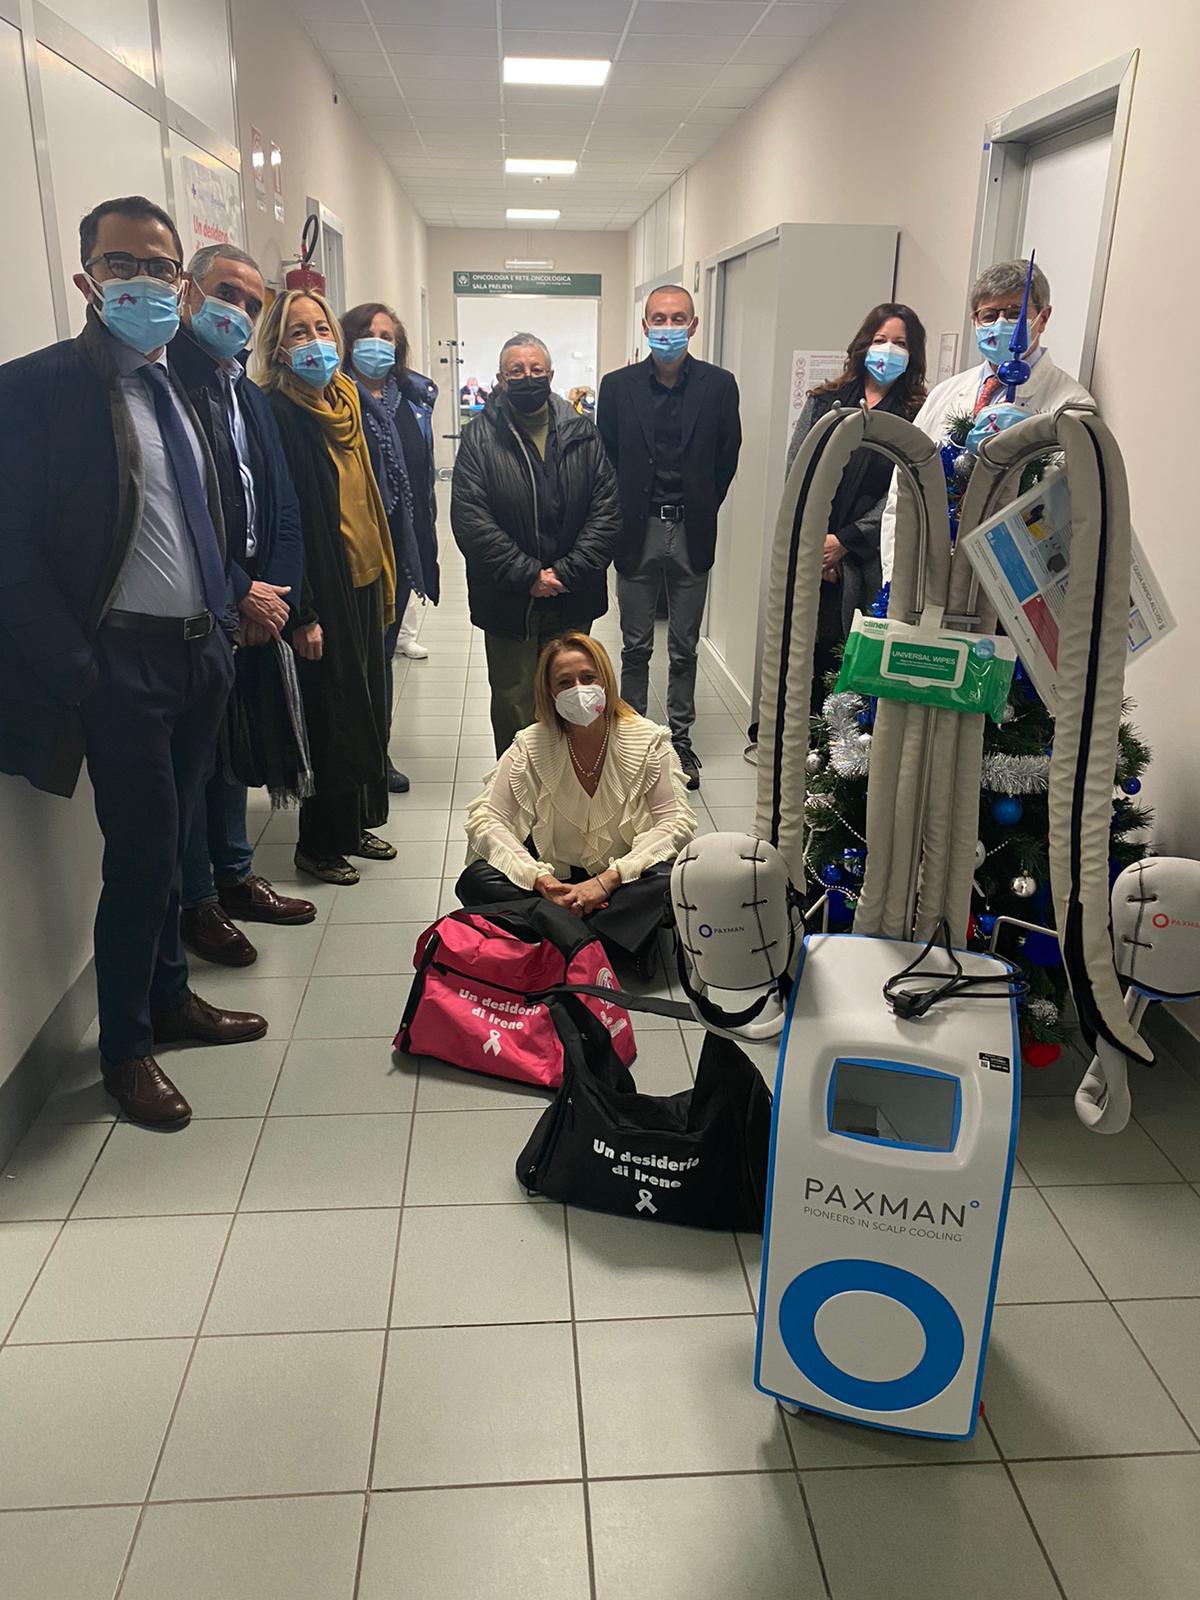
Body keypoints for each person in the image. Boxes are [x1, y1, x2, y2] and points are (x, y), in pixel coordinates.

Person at [0, 195, 267, 1129]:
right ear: (89, 279)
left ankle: (170, 997)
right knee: (144, 855)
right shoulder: (36, 389)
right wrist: (77, 670)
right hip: (120, 667)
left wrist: (228, 609)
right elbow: (11, 548)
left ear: (181, 284)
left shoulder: (178, 387)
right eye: (123, 265)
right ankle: (126, 1049)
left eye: (159, 267)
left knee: (177, 839)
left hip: (199, 656)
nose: (144, 283)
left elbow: (197, 515)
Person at [170, 242, 317, 967]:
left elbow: (282, 503)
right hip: (201, 604)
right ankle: (196, 900)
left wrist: (275, 597)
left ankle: (234, 875)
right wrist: (238, 592)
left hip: (257, 607)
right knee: (195, 763)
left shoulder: (246, 394)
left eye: (253, 305)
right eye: (228, 294)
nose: (239, 312)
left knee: (232, 753)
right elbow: (176, 511)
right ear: (189, 292)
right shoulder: (167, 385)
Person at [254, 289, 398, 885]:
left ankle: (353, 823)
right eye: (298, 332)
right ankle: (317, 845)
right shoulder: (278, 414)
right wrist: (303, 611)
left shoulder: (346, 401)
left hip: (363, 578)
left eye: (321, 329)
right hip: (321, 590)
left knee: (364, 709)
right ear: (277, 348)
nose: (315, 342)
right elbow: (287, 524)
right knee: (330, 716)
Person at [459, 632, 696, 978]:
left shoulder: (649, 739)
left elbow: (674, 822)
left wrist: (608, 880)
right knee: (476, 878)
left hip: (621, 879)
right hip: (556, 879)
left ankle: (555, 936)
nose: (579, 690)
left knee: (673, 875)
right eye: (565, 682)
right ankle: (610, 938)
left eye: (588, 678)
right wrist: (540, 880)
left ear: (606, 681)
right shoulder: (530, 743)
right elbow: (487, 818)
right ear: (550, 692)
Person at [597, 285, 742, 790]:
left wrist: (700, 507)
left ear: (693, 325)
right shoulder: (618, 387)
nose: (668, 327)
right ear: (645, 326)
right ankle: (632, 739)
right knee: (635, 645)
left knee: (684, 647)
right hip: (635, 531)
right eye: (658, 318)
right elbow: (606, 457)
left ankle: (680, 741)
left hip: (690, 530)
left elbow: (727, 456)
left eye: (678, 318)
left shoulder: (719, 386)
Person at [451, 333, 621, 756]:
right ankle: (519, 788)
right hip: (508, 598)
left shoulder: (583, 432)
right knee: (514, 701)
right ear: (500, 378)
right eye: (516, 370)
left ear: (550, 375)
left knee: (575, 697)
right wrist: (529, 575)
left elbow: (606, 510)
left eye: (536, 369)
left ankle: (575, 782)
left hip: (573, 594)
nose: (527, 377)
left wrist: (565, 573)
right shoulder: (479, 437)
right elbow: (471, 519)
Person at [879, 258, 1094, 579]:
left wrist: (1026, 452)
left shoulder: (1072, 406)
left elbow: (1070, 508)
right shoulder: (945, 394)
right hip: (928, 574)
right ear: (975, 320)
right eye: (989, 316)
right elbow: (901, 494)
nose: (1001, 324)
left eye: (1014, 313)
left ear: (1043, 317)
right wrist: (896, 578)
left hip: (1009, 575)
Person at [786, 303, 928, 710]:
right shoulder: (824, 403)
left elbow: (906, 490)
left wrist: (845, 542)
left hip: (869, 560)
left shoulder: (918, 413)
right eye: (880, 340)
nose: (888, 350)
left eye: (900, 343)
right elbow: (798, 471)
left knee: (856, 667)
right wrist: (819, 544)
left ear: (913, 353)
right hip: (815, 555)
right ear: (863, 345)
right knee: (805, 660)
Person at [342, 300, 441, 793]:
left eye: (387, 336)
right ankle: (347, 761)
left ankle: (375, 757)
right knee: (353, 660)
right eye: (367, 334)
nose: (377, 344)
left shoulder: (412, 399)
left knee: (381, 656)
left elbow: (422, 477)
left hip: (400, 550)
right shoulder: (336, 398)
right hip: (353, 551)